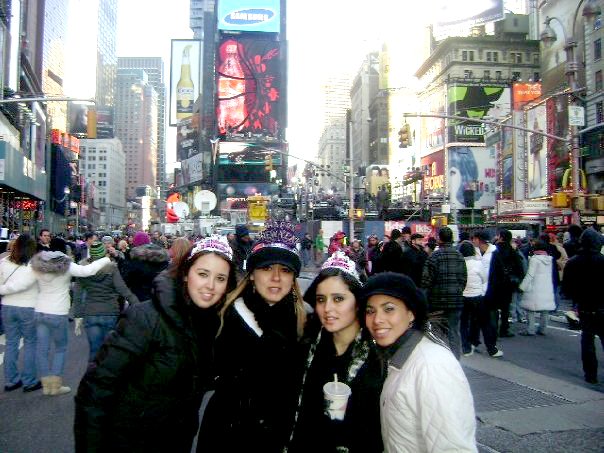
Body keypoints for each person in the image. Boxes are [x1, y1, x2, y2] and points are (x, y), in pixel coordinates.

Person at [74, 235, 237, 452]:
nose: (210, 286)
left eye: (220, 278)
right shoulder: (145, 318)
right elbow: (95, 390)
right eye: (202, 274)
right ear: (186, 274)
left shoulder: (214, 325)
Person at [197, 220, 306, 453]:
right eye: (267, 268)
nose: (276, 277)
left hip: (279, 438)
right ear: (253, 275)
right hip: (228, 437)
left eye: (285, 270)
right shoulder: (224, 317)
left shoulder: (305, 323)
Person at [362, 272, 477, 452]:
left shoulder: (433, 366)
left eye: (389, 309)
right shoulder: (399, 355)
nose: (377, 319)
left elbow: (453, 447)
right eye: (370, 311)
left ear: (411, 314)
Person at [288, 253, 383, 452]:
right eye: (321, 299)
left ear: (358, 302)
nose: (327, 308)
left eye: (338, 299)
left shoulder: (378, 356)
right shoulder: (306, 346)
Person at [0, 248, 111, 395]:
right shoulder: (67, 266)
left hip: (40, 310)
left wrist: (2, 289)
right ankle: (56, 385)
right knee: (60, 348)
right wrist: (106, 259)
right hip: (58, 312)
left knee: (42, 349)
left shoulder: (37, 268)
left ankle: (46, 386)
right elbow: (87, 271)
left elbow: (20, 285)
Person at [72, 242, 141, 362]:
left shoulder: (82, 269)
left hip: (91, 312)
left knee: (94, 352)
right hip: (110, 311)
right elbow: (123, 290)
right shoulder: (112, 268)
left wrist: (77, 316)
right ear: (103, 253)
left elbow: (77, 295)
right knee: (108, 351)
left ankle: (93, 377)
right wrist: (138, 305)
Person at [562, 228, 604, 384]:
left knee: (587, 341)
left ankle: (590, 375)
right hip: (602, 306)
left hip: (585, 306)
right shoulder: (602, 260)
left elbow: (566, 289)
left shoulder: (573, 262)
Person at [0, 234, 41, 392]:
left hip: (7, 306)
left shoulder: (4, 262)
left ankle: (11, 380)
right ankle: (29, 381)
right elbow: (25, 284)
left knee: (11, 343)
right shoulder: (34, 265)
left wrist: (3, 290)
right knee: (30, 343)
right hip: (28, 307)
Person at [421, 227, 468, 359]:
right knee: (453, 331)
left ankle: (441, 359)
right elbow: (463, 279)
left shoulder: (434, 256)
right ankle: (455, 359)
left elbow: (426, 282)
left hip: (437, 301)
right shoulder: (459, 256)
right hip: (456, 300)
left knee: (438, 332)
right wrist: (458, 291)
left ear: (439, 239)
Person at [518, 240, 556, 336]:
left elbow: (530, 274)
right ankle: (543, 329)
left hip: (535, 287)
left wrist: (522, 286)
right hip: (546, 287)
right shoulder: (549, 259)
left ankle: (530, 329)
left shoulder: (534, 259)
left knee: (530, 308)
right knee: (545, 309)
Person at [122, 232, 170, 303]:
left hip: (138, 298)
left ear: (136, 243)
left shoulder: (133, 258)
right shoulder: (161, 256)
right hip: (159, 297)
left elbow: (126, 279)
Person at [459, 241, 486, 356]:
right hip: (477, 296)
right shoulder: (478, 264)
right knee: (475, 321)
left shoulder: (459, 264)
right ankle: (474, 341)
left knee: (463, 323)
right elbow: (484, 279)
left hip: (463, 296)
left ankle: (466, 347)